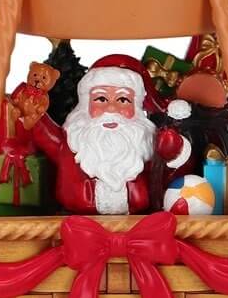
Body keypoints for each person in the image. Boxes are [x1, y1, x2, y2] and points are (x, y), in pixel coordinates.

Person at [30, 55, 191, 214]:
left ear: (136, 108)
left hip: (139, 220)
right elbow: (41, 131)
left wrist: (173, 152)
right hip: (74, 220)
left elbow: (167, 179)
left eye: (123, 100)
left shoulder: (145, 143)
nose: (111, 108)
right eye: (101, 99)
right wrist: (32, 108)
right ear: (86, 105)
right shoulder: (72, 141)